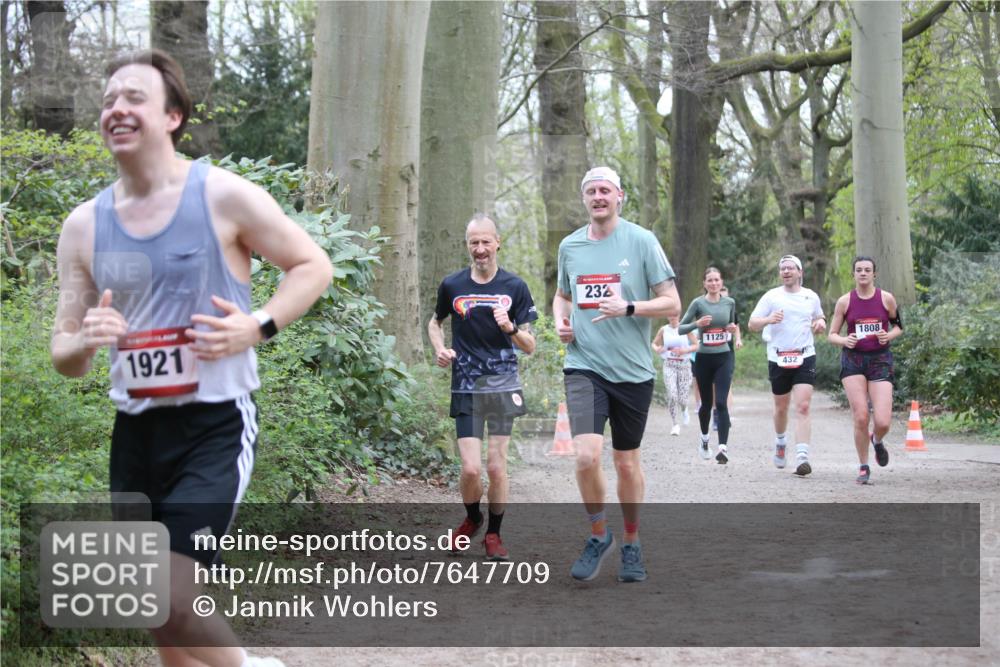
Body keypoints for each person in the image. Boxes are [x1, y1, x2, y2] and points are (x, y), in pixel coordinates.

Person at [50, 49, 332, 667]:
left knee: (174, 598)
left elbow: (313, 266)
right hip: (135, 432)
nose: (116, 109)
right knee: (157, 612)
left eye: (133, 98)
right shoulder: (83, 226)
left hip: (215, 422)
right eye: (108, 100)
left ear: (173, 115)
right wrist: (86, 338)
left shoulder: (222, 197)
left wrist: (257, 326)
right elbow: (63, 354)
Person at [554, 166, 680, 583]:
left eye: (605, 190)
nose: (598, 197)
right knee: (587, 455)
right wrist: (561, 321)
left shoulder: (641, 241)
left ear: (620, 196)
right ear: (584, 199)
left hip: (632, 372)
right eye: (591, 191)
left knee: (627, 465)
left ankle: (630, 542)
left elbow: (672, 303)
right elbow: (562, 295)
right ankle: (597, 535)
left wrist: (628, 307)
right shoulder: (570, 246)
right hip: (584, 365)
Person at [428, 214, 537, 559]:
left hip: (503, 385)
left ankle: (494, 534)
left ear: (497, 242)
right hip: (466, 385)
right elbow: (435, 322)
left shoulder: (515, 287)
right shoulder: (452, 285)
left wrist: (510, 328)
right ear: (468, 246)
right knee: (471, 469)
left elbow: (530, 345)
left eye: (485, 241)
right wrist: (440, 349)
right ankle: (473, 518)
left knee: (495, 466)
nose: (479, 249)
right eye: (473, 243)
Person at [748, 255, 826, 476]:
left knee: (803, 406)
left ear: (800, 272)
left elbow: (820, 317)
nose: (786, 272)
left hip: (804, 356)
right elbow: (752, 324)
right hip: (778, 357)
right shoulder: (771, 297)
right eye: (783, 269)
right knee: (781, 407)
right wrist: (768, 319)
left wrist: (820, 323)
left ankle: (802, 457)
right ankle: (781, 441)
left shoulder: (810, 296)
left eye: (791, 268)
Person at [828, 256, 903, 485]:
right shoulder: (844, 302)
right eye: (859, 270)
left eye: (867, 270)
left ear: (874, 274)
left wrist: (887, 335)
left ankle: (877, 440)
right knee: (861, 416)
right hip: (853, 361)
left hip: (880, 359)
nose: (863, 273)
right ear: (853, 274)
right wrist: (844, 340)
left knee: (882, 422)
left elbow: (899, 326)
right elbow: (832, 334)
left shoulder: (886, 299)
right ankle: (863, 466)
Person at [678, 267, 739, 463]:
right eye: (710, 281)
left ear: (721, 283)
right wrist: (697, 324)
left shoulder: (730, 302)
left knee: (721, 402)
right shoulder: (698, 303)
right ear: (704, 284)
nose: (713, 283)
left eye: (717, 280)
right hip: (704, 358)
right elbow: (680, 328)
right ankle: (704, 440)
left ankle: (723, 448)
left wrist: (731, 329)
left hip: (724, 356)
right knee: (705, 404)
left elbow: (732, 325)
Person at [652, 314, 697, 436]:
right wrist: (657, 349)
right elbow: (654, 343)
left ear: (679, 315)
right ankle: (675, 424)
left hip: (684, 365)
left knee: (682, 398)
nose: (672, 317)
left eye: (675, 315)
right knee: (672, 395)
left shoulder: (685, 328)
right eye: (670, 315)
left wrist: (685, 350)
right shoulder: (663, 329)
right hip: (669, 365)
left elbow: (696, 345)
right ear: (667, 316)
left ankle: (684, 409)